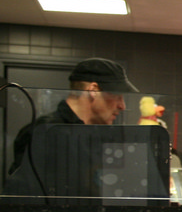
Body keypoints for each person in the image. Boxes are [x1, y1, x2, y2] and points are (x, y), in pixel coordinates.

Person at [8, 57, 138, 176]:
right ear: (93, 90)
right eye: (117, 96)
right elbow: (24, 190)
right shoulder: (46, 132)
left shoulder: (96, 133)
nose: (122, 106)